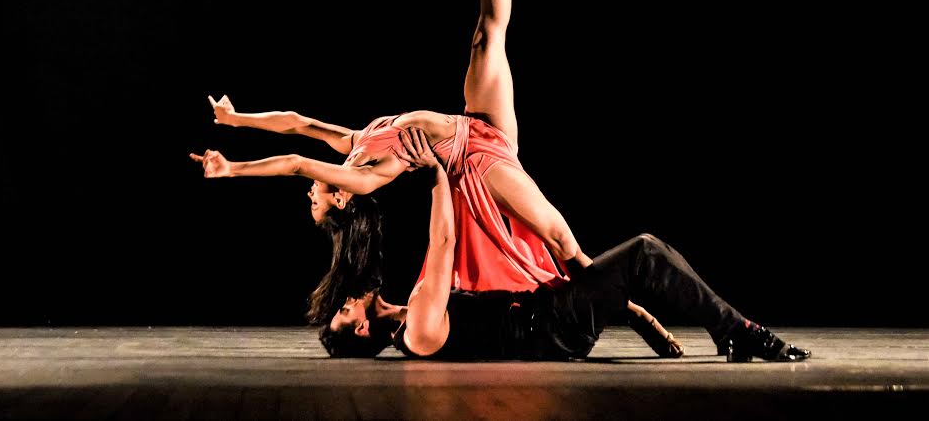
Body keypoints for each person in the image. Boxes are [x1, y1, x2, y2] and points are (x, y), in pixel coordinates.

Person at [190, 0, 681, 357]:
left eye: (310, 200)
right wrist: (232, 169)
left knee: (486, 36)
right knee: (562, 245)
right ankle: (638, 314)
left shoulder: (355, 143)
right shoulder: (365, 178)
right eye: (314, 203)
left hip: (477, 124)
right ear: (339, 197)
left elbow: (298, 123)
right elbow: (297, 162)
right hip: (479, 163)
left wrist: (238, 120)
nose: (309, 196)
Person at [323, 127, 812, 363]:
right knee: (643, 251)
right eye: (344, 314)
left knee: (638, 257)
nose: (346, 302)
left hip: (551, 315)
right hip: (555, 327)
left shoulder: (413, 319)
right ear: (363, 331)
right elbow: (444, 240)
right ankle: (739, 332)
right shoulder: (418, 331)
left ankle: (728, 331)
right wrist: (434, 171)